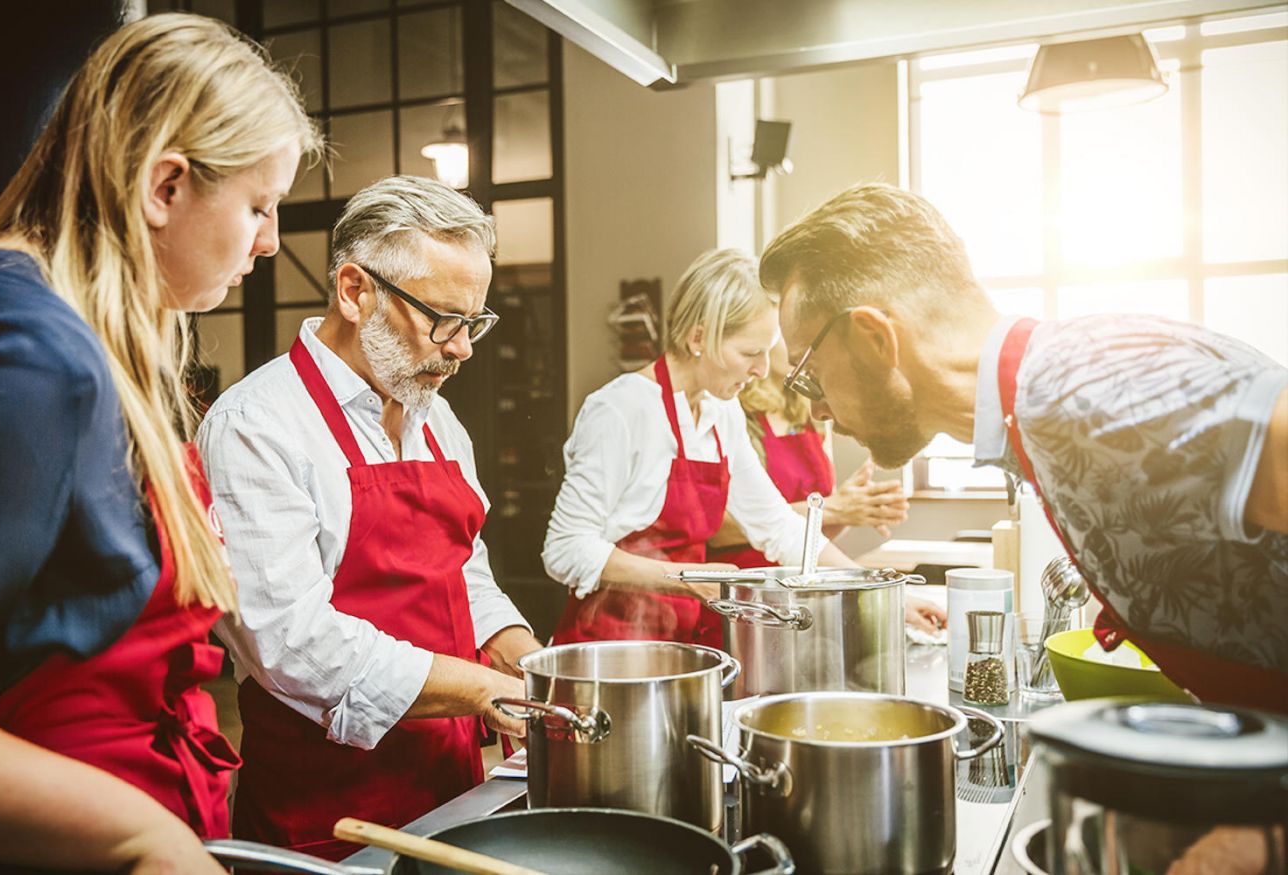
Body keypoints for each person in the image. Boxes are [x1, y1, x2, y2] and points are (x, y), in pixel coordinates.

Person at [0, 14, 319, 873]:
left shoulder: (100, 346)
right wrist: (138, 835)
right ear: (165, 187)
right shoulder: (17, 345)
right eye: (259, 206)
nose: (269, 241)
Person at [761, 182, 1287, 713]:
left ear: (875, 339)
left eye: (807, 373)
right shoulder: (1039, 413)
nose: (816, 409)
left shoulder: (1081, 389)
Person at [198, 175, 540, 859]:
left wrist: (530, 661)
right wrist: (480, 688)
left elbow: (464, 572)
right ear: (355, 291)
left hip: (450, 783)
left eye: (474, 322)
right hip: (328, 809)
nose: (463, 347)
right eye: (442, 318)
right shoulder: (257, 424)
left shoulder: (436, 417)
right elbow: (290, 642)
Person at [543, 248, 877, 648]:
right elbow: (564, 549)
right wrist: (684, 580)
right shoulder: (620, 409)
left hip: (678, 646)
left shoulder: (722, 412)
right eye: (750, 353)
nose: (761, 371)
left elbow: (778, 525)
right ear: (698, 337)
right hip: (607, 651)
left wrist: (873, 590)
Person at [706, 339, 944, 634]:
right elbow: (719, 528)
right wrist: (833, 509)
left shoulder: (815, 417)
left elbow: (805, 534)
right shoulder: (733, 412)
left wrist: (849, 511)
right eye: (775, 336)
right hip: (750, 602)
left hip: (807, 597)